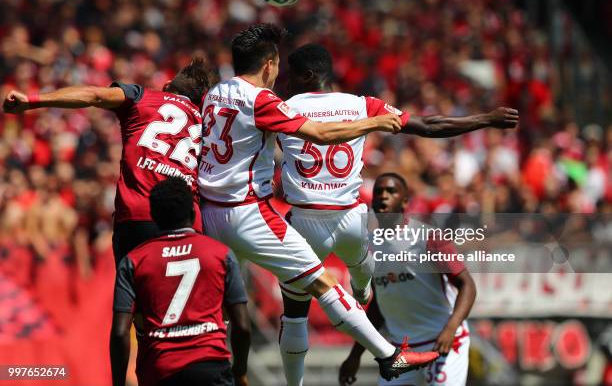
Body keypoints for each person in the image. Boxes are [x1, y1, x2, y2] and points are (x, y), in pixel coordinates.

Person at [198, 23, 438, 382]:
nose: (280, 74)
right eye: (277, 65)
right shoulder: (263, 100)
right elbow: (322, 133)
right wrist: (373, 122)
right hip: (247, 213)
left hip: (207, 212)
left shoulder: (216, 93)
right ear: (268, 64)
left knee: (217, 307)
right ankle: (389, 356)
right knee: (323, 283)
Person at [275, 43, 516, 385]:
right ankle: (361, 285)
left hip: (305, 218)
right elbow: (429, 125)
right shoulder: (362, 105)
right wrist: (484, 119)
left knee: (295, 312)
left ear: (306, 75)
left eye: (291, 75)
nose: (287, 82)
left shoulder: (282, 107)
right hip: (350, 219)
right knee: (364, 269)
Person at [2, 58, 214, 263]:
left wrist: (31, 101)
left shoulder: (141, 96)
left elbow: (94, 95)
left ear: (167, 85)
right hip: (186, 222)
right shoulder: (207, 125)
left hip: (140, 213)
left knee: (130, 296)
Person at [110, 177, 251, 386]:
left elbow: (121, 332)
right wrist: (239, 371)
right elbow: (242, 326)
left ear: (154, 216)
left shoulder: (134, 260)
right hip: (211, 368)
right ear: (193, 214)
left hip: (159, 370)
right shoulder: (220, 254)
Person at [339, 173, 476, 386]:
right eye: (378, 192)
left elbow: (467, 285)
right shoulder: (368, 248)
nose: (383, 196)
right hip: (401, 352)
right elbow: (378, 306)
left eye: (391, 191)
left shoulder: (428, 237)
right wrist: (355, 355)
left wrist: (450, 329)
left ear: (405, 201)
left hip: (443, 342)